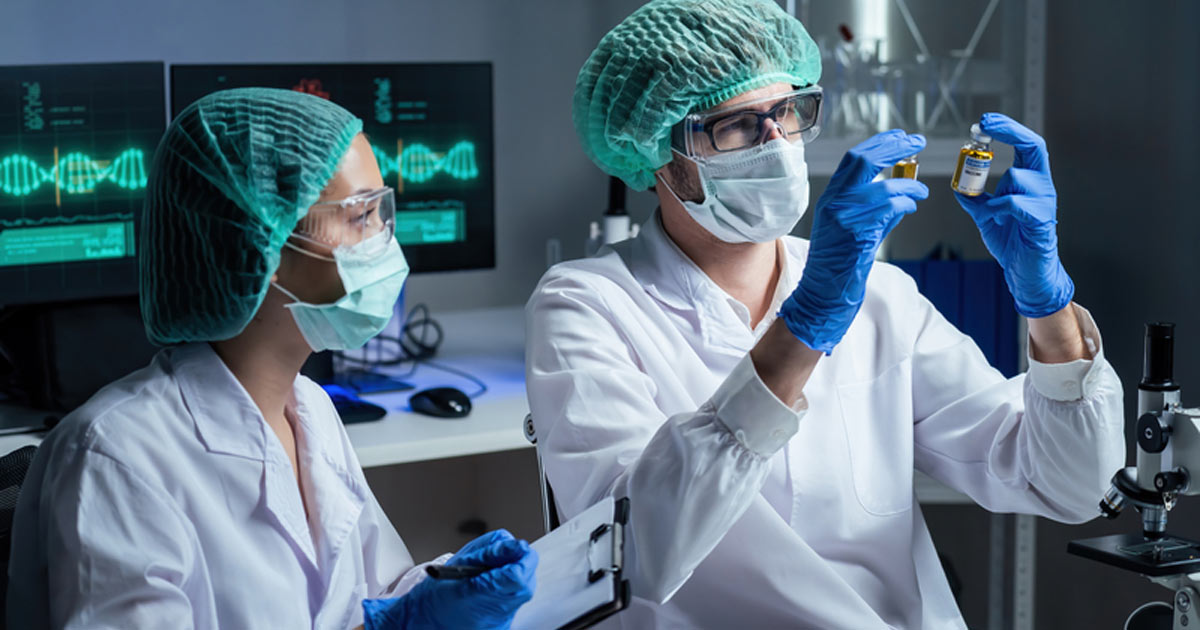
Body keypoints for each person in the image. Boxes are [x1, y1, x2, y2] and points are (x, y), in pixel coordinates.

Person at [525, 1, 1124, 627]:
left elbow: (1073, 487)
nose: (776, 144)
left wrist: (1048, 307)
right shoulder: (586, 305)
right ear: (655, 151)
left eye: (787, 111)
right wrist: (804, 329)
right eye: (737, 125)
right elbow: (629, 557)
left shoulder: (879, 295)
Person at [7, 88, 536, 629]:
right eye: (361, 215)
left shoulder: (309, 408)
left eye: (382, 212)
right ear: (263, 242)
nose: (384, 239)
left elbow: (371, 593)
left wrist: (446, 585)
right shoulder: (116, 458)